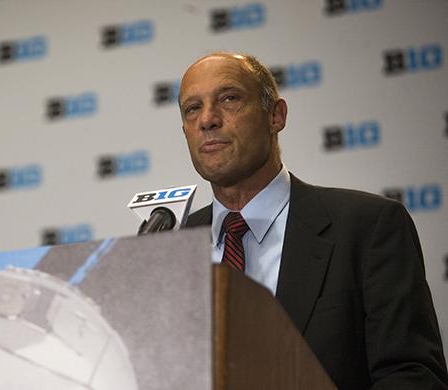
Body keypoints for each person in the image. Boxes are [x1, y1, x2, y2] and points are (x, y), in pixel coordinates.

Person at [180, 51, 448, 389]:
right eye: (192, 108)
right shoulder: (168, 248)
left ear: (275, 116)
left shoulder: (368, 227)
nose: (208, 119)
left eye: (229, 99)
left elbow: (413, 377)